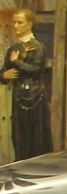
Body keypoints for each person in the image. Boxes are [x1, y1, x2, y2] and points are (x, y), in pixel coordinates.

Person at [2, 8, 52, 160]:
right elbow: (4, 70)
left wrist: (16, 62)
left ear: (29, 24)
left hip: (36, 96)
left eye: (20, 22)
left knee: (37, 133)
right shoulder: (13, 49)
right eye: (14, 22)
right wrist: (4, 75)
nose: (16, 26)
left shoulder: (39, 48)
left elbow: (35, 70)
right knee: (19, 134)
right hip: (18, 96)